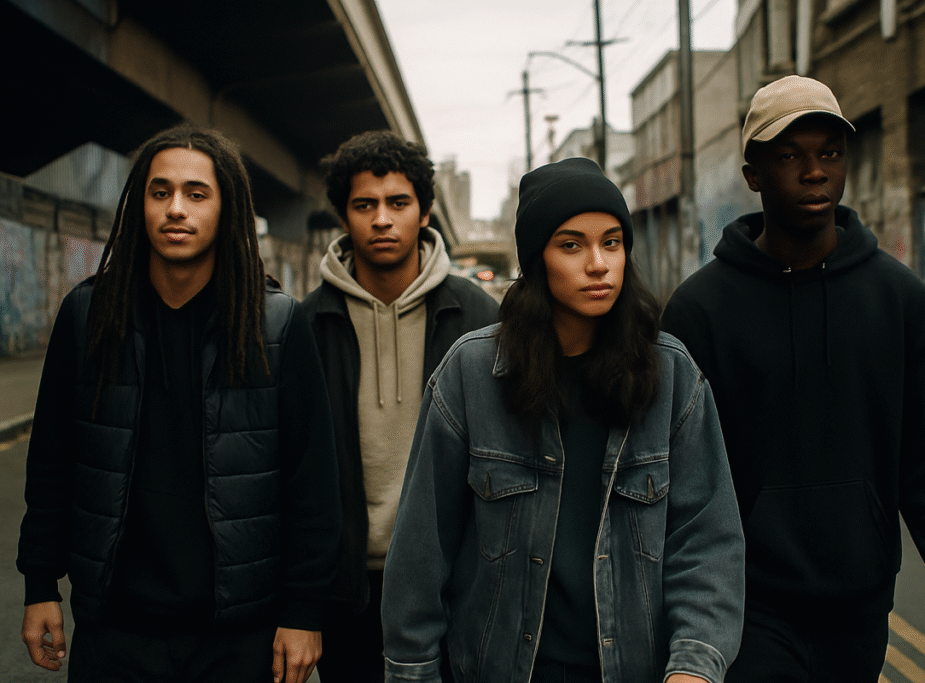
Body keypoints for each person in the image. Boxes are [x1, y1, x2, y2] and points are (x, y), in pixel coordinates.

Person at [661, 75, 925, 683]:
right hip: (743, 604)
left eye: (830, 154)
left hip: (860, 604)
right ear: (753, 175)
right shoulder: (699, 311)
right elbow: (674, 476)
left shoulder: (900, 302)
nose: (814, 172)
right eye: (789, 156)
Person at [379, 157, 745, 683]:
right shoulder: (473, 373)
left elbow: (707, 540)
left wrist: (693, 667)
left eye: (612, 242)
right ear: (536, 260)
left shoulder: (671, 374)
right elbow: (421, 551)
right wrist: (412, 672)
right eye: (571, 245)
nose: (598, 263)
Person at [17, 125, 342, 683]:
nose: (176, 209)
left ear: (227, 208)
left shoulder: (279, 325)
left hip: (239, 635)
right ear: (139, 203)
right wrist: (40, 583)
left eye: (197, 194)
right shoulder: (89, 314)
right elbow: (52, 459)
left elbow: (311, 480)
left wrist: (304, 610)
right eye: (160, 191)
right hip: (115, 628)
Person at [302, 130, 499, 682]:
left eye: (398, 203)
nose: (382, 219)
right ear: (344, 216)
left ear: (426, 212)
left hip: (454, 578)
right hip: (347, 589)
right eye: (365, 205)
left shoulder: (478, 315)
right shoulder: (306, 323)